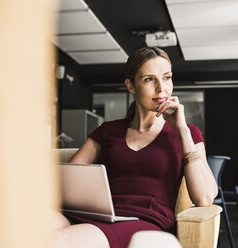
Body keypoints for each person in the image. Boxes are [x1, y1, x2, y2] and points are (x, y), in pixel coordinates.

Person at [53, 47, 218, 248]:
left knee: (59, 240)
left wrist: (181, 129)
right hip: (98, 215)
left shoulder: (188, 133)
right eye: (150, 79)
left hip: (145, 220)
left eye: (166, 77)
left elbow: (205, 197)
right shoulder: (107, 131)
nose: (161, 88)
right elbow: (69, 181)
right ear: (131, 86)